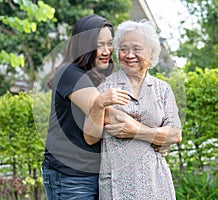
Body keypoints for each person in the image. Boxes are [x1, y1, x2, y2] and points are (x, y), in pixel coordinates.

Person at [85, 19, 182, 199]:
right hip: (118, 183)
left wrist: (136, 130)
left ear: (151, 53)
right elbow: (90, 137)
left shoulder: (162, 90)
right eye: (123, 49)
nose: (129, 55)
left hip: (156, 182)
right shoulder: (105, 87)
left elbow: (175, 134)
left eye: (137, 49)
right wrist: (157, 135)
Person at [41, 14, 130, 200]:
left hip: (99, 172)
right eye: (99, 45)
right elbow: (107, 115)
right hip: (70, 177)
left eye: (109, 43)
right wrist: (154, 134)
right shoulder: (69, 73)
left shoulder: (103, 74)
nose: (107, 51)